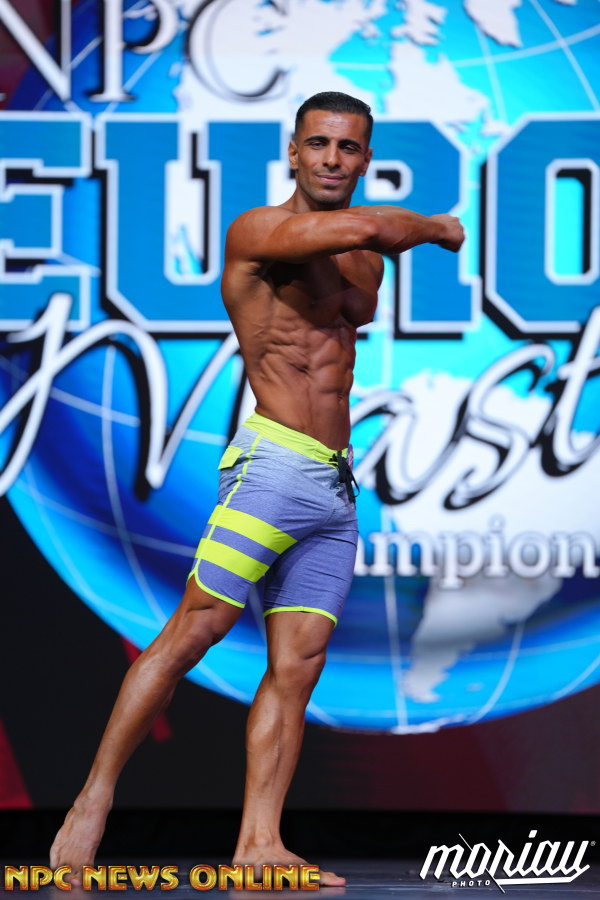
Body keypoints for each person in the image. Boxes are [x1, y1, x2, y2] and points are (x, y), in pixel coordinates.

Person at [50, 91, 464, 886]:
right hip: (271, 467)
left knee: (298, 666)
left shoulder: (366, 263)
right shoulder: (259, 233)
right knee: (194, 630)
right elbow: (375, 227)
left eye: (349, 147)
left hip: (334, 486)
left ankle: (259, 844)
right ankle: (91, 803)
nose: (333, 159)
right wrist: (441, 227)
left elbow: (365, 255)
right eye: (320, 144)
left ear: (365, 158)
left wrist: (406, 233)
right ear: (294, 151)